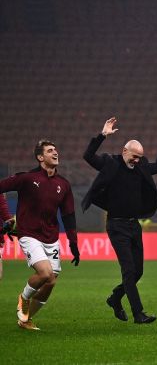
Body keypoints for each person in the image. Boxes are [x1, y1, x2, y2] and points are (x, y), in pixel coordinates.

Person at [82, 117, 157, 324]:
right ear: (124, 151)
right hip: (116, 225)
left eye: (140, 158)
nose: (137, 160)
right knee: (129, 270)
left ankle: (115, 298)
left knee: (138, 271)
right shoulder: (110, 163)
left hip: (134, 225)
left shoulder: (140, 167)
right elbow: (88, 156)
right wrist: (102, 135)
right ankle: (138, 313)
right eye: (134, 156)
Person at [0, 140, 79, 330]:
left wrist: (73, 242)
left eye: (56, 150)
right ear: (40, 157)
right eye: (50, 150)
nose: (55, 152)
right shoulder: (27, 178)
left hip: (51, 237)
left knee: (50, 281)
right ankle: (24, 297)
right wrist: (7, 219)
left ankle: (25, 320)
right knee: (45, 273)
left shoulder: (63, 185)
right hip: (29, 233)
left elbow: (68, 215)